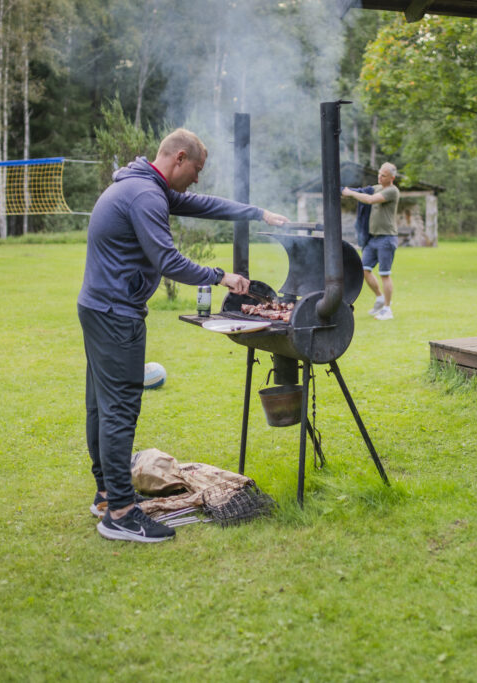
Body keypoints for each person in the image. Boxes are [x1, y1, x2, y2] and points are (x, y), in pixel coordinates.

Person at [78, 128, 287, 543]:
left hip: (98, 307)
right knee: (119, 408)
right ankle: (120, 512)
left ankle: (106, 495)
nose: (197, 179)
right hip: (116, 314)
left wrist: (256, 212)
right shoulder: (146, 195)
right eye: (196, 169)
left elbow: (203, 205)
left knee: (102, 406)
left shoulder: (144, 185)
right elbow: (167, 260)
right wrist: (221, 276)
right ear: (178, 158)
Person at [342, 162, 400, 320]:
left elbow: (369, 199)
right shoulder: (378, 187)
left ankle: (388, 309)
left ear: (392, 178)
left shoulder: (392, 191)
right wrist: (344, 190)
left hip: (386, 239)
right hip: (372, 239)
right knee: (364, 270)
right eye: (379, 174)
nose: (380, 177)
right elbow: (363, 191)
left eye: (384, 175)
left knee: (384, 274)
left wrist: (351, 193)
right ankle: (380, 298)